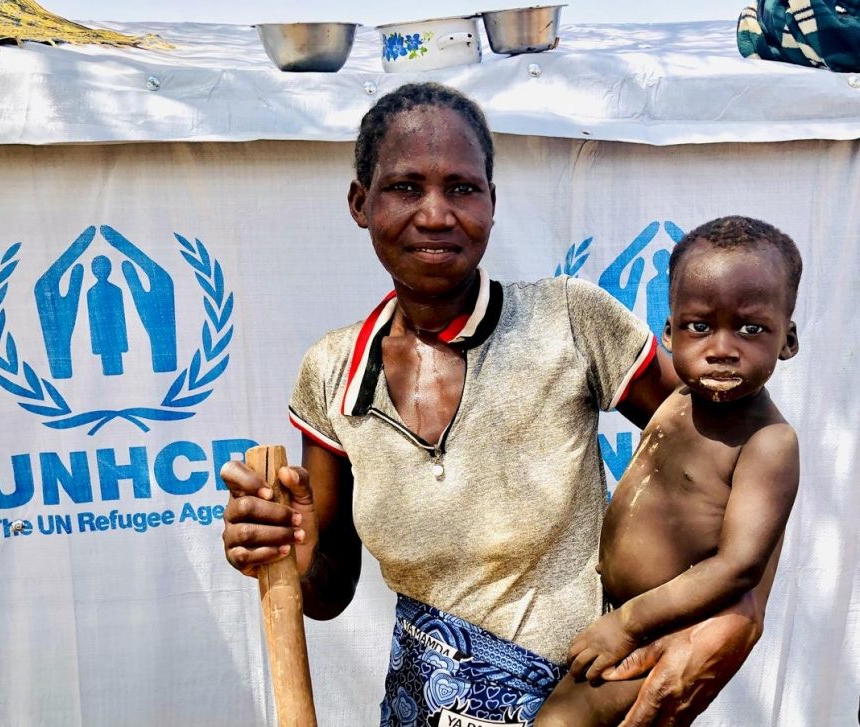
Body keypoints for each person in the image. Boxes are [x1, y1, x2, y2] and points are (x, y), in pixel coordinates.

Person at [220, 83, 773, 726]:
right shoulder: (332, 373)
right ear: (360, 203)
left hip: (583, 705)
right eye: (405, 187)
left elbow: (748, 443)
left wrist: (738, 617)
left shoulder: (570, 319)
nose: (435, 214)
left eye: (461, 188)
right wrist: (285, 548)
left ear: (491, 203)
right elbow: (327, 593)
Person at [534, 216, 801, 725]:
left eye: (751, 328)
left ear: (787, 339)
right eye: (700, 327)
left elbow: (737, 567)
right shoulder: (677, 399)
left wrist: (629, 626)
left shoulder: (769, 442)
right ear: (669, 332)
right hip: (610, 614)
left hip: (664, 634)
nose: (722, 348)